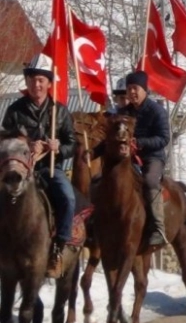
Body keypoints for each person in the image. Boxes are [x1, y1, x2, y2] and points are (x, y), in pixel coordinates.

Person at [1, 53, 77, 278]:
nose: (37, 84)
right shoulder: (15, 111)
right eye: (33, 79)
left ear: (49, 83)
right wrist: (25, 145)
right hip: (20, 171)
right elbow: (4, 140)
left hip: (51, 169)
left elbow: (73, 144)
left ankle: (58, 248)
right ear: (27, 82)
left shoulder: (60, 111)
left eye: (42, 79)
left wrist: (57, 147)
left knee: (68, 197)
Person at [91, 71, 170, 247]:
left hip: (152, 158)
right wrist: (93, 153)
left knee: (149, 181)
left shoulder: (157, 111)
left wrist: (140, 143)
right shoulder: (122, 113)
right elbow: (111, 138)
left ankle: (158, 228)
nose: (132, 92)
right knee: (100, 180)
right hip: (127, 159)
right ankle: (94, 223)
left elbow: (164, 138)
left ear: (144, 90)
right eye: (129, 89)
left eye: (135, 88)